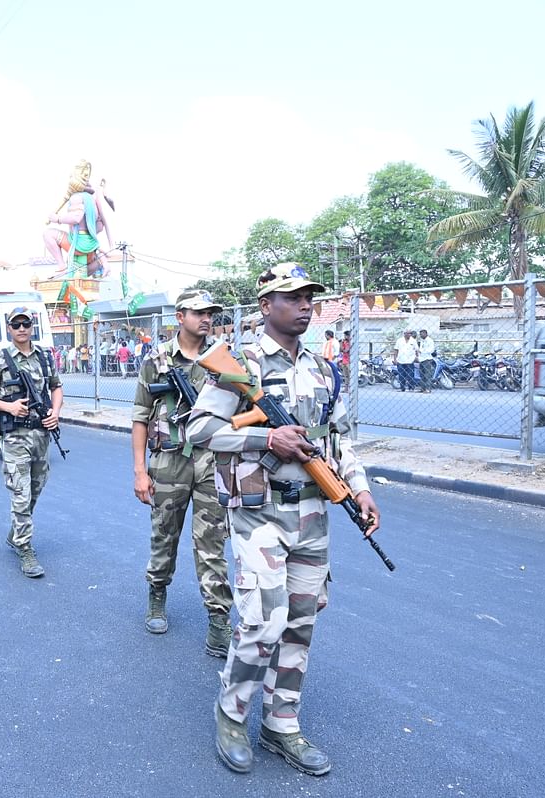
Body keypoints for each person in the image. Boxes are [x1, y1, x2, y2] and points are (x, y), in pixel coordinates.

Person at [186, 262, 381, 777]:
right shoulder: (240, 364)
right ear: (265, 306)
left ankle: (281, 725)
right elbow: (200, 430)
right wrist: (264, 437)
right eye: (292, 297)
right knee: (261, 619)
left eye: (309, 297)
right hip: (260, 513)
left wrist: (359, 489)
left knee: (299, 623)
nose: (304, 305)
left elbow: (338, 439)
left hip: (314, 512)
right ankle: (232, 715)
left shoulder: (323, 368)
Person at [131, 289, 233, 655]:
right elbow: (140, 418)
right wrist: (140, 472)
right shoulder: (156, 360)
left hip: (211, 461)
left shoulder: (224, 358)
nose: (206, 318)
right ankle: (157, 595)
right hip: (169, 462)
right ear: (180, 316)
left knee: (212, 543)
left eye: (211, 313)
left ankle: (219, 619)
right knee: (164, 536)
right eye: (198, 312)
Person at [0, 308, 63, 578]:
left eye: (26, 323)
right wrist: (10, 406)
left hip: (41, 435)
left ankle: (16, 531)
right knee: (21, 492)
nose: (21, 329)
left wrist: (55, 413)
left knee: (35, 490)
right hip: (15, 436)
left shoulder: (45, 357)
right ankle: (25, 549)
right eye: (16, 325)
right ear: (9, 329)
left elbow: (56, 387)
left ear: (32, 326)